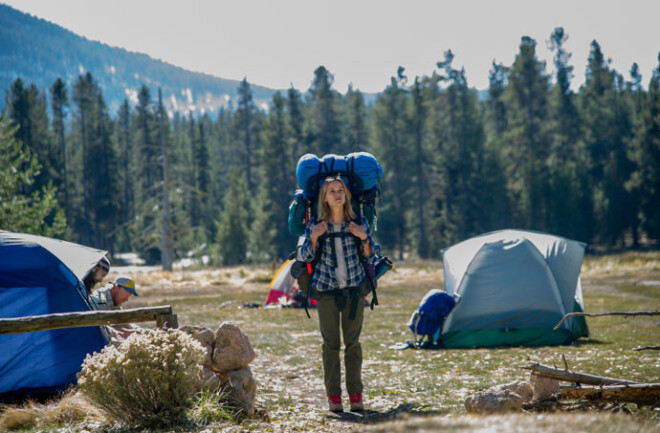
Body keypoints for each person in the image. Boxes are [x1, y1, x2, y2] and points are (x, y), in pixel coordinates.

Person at [299, 176, 378, 413]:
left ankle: (356, 395)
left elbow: (371, 256)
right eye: (332, 191)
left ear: (346, 195)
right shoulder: (315, 224)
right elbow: (303, 257)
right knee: (330, 345)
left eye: (340, 190)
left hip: (354, 291)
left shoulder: (358, 221)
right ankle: (334, 397)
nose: (337, 194)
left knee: (353, 344)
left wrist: (363, 237)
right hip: (327, 293)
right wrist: (313, 237)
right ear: (324, 197)